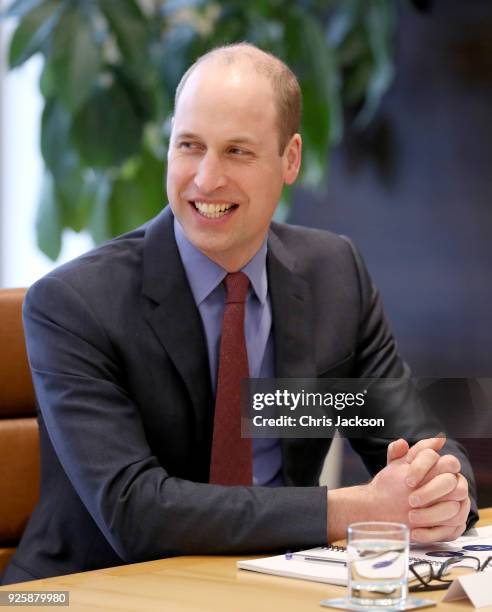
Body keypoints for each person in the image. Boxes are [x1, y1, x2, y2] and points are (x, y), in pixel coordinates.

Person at [2, 43, 476, 585]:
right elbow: (136, 511)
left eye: (237, 152)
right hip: (86, 591)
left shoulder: (334, 275)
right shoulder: (74, 305)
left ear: (290, 158)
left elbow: (420, 440)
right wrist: (354, 510)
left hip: (272, 585)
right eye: (190, 146)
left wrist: (439, 488)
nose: (206, 179)